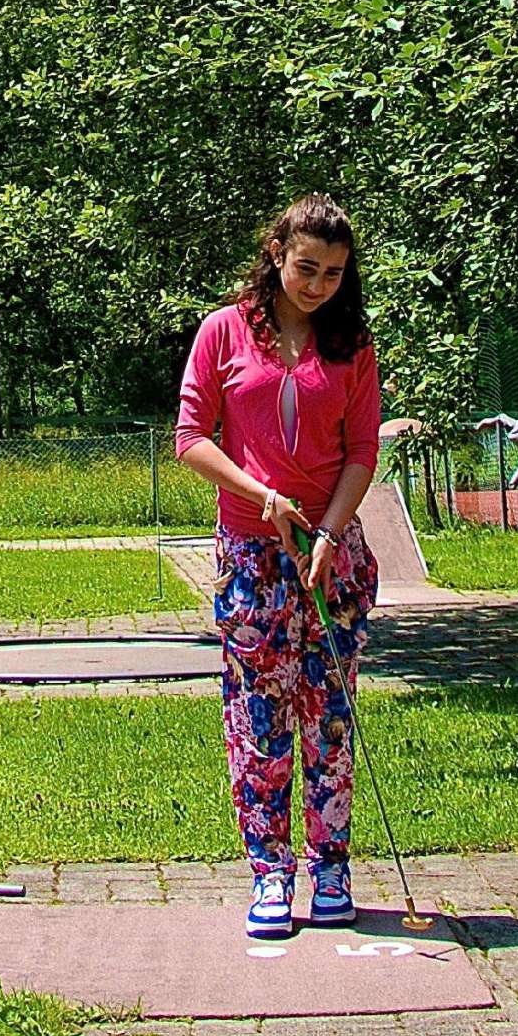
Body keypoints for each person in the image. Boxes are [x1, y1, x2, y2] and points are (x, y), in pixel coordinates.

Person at [175, 194, 382, 939]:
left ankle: (331, 866)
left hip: (330, 554)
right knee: (259, 717)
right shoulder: (224, 330)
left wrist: (330, 531)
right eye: (306, 267)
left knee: (329, 714)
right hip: (252, 552)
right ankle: (270, 871)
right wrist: (261, 495)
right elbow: (191, 437)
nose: (318, 285)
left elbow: (362, 450)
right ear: (276, 255)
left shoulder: (352, 344)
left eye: (333, 273)